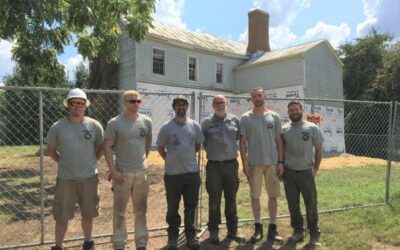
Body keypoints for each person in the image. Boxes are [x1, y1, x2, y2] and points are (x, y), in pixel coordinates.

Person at [46, 88, 104, 250]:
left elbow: (101, 147)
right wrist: (63, 163)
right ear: (68, 105)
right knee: (62, 215)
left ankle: (88, 243)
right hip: (66, 179)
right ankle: (58, 245)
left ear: (85, 106)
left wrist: (92, 161)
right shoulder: (58, 127)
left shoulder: (94, 125)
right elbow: (51, 151)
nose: (77, 106)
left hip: (89, 178)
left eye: (81, 103)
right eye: (74, 103)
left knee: (88, 213)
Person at [104, 90, 152, 250]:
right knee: (119, 212)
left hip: (141, 174)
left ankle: (142, 243)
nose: (136, 104)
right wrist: (113, 170)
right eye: (132, 101)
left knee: (141, 211)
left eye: (138, 101)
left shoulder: (146, 121)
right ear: (124, 103)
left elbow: (147, 142)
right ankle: (119, 243)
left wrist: (143, 162)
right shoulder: (115, 123)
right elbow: (107, 147)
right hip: (121, 175)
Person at [157, 95, 204, 250]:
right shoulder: (166, 127)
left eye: (183, 104)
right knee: (172, 207)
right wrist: (170, 160)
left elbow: (197, 145)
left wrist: (187, 157)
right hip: (172, 176)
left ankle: (190, 235)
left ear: (187, 107)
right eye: (178, 105)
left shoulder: (194, 125)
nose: (181, 107)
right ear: (174, 108)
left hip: (191, 174)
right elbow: (160, 148)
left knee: (191, 206)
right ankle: (172, 237)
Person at [239, 87, 284, 244]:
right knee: (255, 196)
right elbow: (242, 143)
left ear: (264, 96)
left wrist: (280, 162)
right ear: (251, 98)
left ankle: (273, 228)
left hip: (272, 163)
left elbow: (279, 141)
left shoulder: (274, 117)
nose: (257, 98)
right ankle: (258, 228)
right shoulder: (245, 117)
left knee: (273, 196)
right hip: (254, 163)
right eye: (254, 96)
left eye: (260, 95)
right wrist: (244, 164)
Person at [201, 95, 245, 245]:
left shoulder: (235, 121)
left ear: (227, 104)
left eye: (222, 102)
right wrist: (214, 154)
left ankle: (233, 230)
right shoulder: (207, 123)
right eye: (217, 103)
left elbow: (240, 139)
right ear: (213, 105)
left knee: (231, 198)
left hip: (231, 166)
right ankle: (213, 231)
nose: (220, 105)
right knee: (214, 200)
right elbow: (203, 143)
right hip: (213, 167)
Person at [281, 100, 323, 246]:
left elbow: (319, 149)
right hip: (289, 173)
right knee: (293, 205)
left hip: (306, 172)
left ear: (301, 110)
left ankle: (314, 234)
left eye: (296, 109)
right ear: (288, 113)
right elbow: (281, 151)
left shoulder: (312, 127)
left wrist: (315, 168)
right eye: (291, 110)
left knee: (311, 204)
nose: (294, 112)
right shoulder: (284, 129)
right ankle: (298, 231)